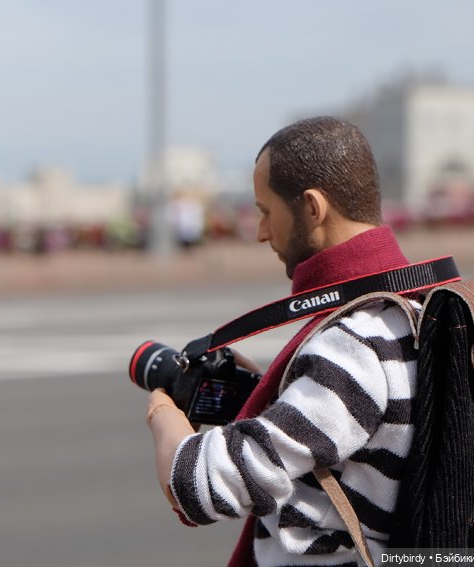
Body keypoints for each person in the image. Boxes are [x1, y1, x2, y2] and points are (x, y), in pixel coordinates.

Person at [146, 116, 420, 567]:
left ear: (312, 208)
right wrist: (276, 394)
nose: (262, 232)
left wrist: (162, 412)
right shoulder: (412, 305)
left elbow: (206, 483)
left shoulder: (356, 340)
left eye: (266, 211)